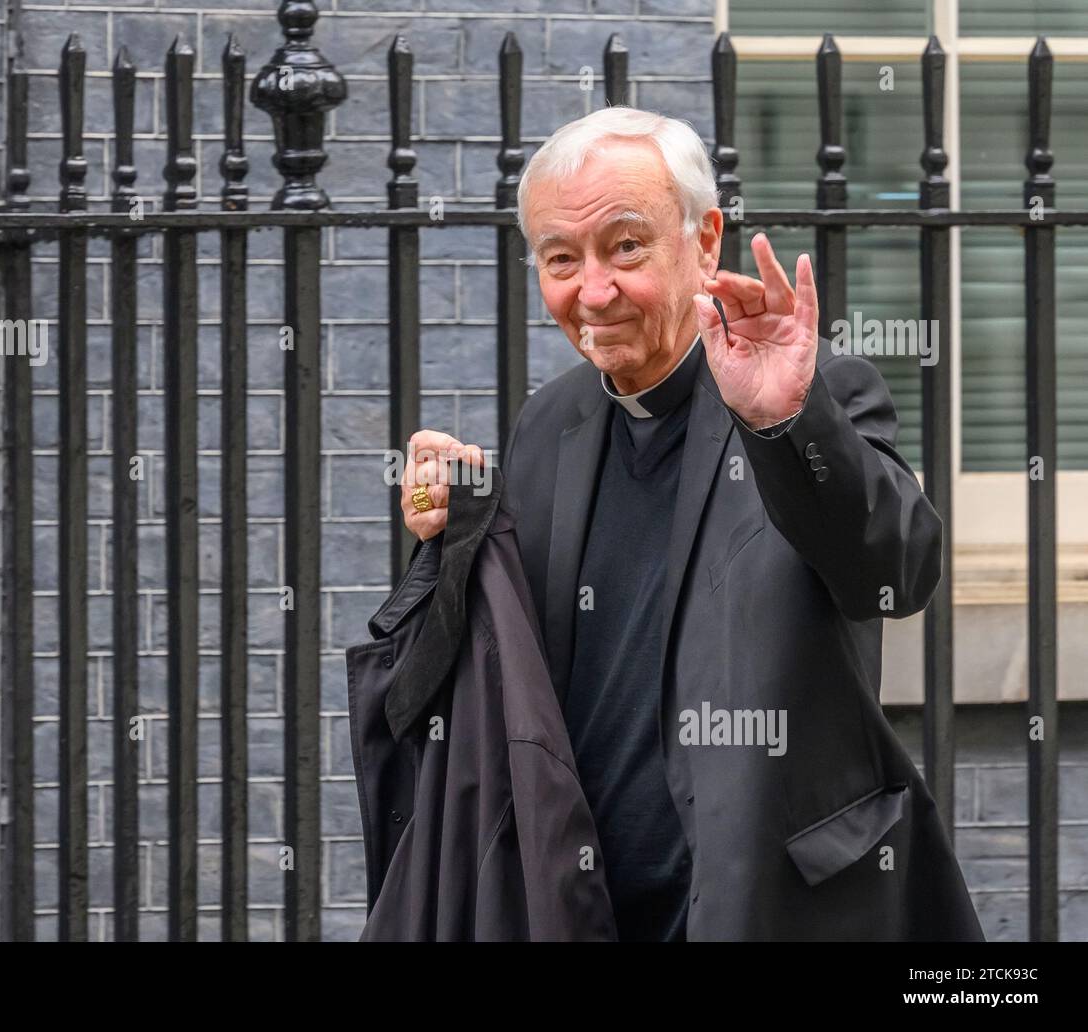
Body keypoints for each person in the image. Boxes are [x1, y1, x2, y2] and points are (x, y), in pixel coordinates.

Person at [397, 106, 983, 942]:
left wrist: (788, 422)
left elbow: (897, 571)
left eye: (625, 247)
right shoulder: (547, 425)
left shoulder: (813, 391)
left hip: (770, 903)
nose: (592, 291)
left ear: (704, 241)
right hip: (587, 904)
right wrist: (445, 544)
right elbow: (505, 674)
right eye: (561, 259)